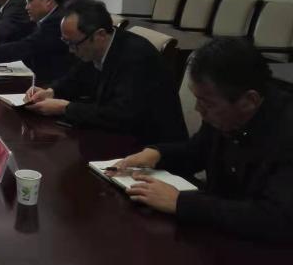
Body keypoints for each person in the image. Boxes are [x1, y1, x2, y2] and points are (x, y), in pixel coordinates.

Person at [115, 38, 293, 242]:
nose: (198, 109)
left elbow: (277, 219)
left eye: (206, 103)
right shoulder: (225, 114)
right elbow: (197, 151)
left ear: (249, 101)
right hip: (220, 234)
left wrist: (181, 203)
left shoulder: (286, 130)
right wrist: (156, 154)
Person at [26, 0, 187, 145]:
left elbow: (121, 115)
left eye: (73, 44)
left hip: (151, 146)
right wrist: (51, 92)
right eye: (66, 42)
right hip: (117, 136)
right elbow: (76, 78)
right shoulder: (96, 46)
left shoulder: (136, 57)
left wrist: (66, 108)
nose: (71, 50)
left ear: (100, 35)